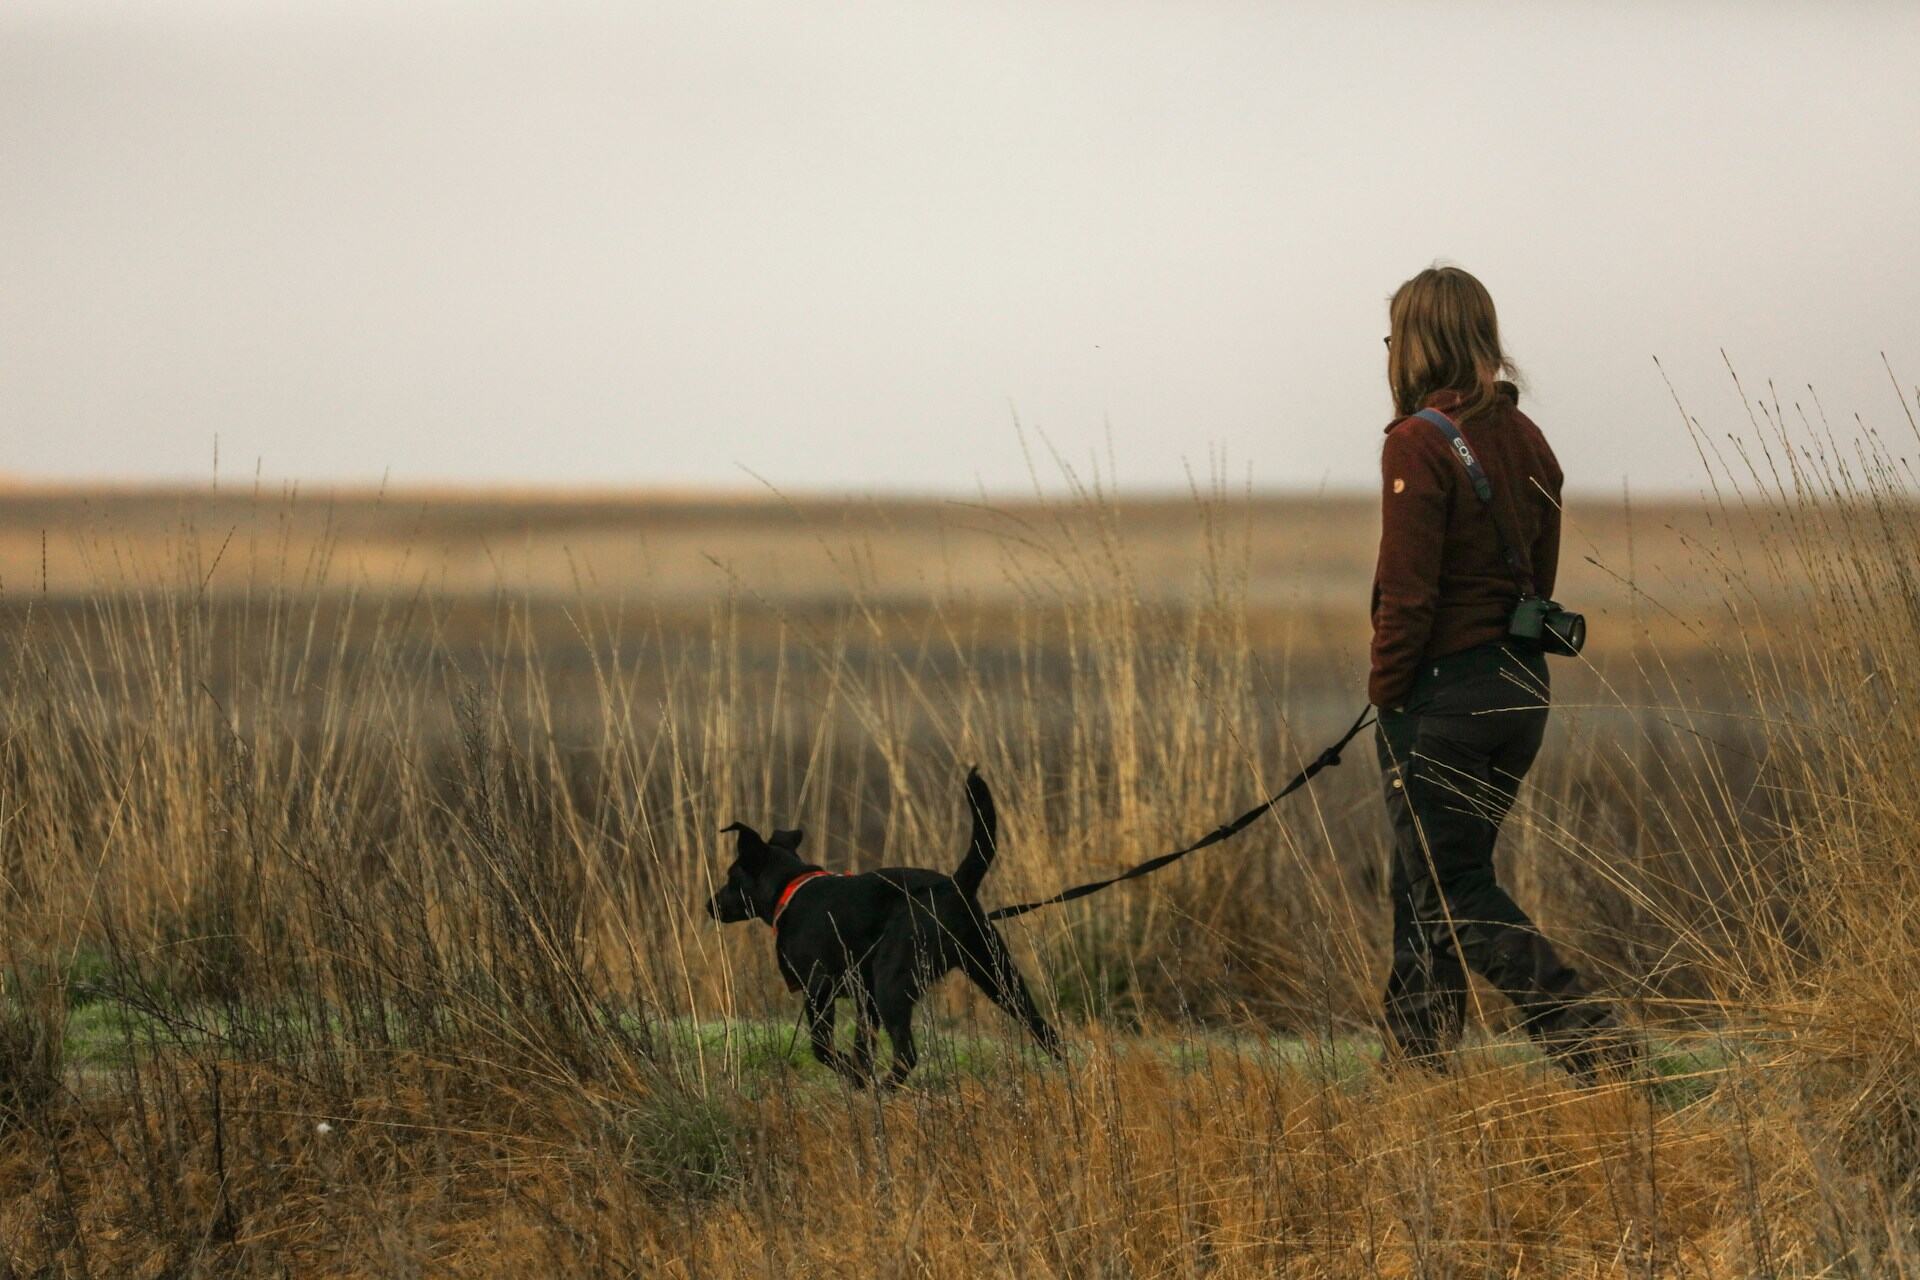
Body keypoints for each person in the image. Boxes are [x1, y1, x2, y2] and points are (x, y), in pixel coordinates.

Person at [1369, 265, 1621, 1078]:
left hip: (1444, 700)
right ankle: (1417, 1069)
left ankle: (1591, 1040)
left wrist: (1387, 696)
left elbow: (1406, 598)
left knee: (1450, 890)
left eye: (1394, 336)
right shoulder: (1529, 439)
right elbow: (1536, 581)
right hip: (1520, 691)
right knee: (1429, 879)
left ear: (1418, 344)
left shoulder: (1415, 442)